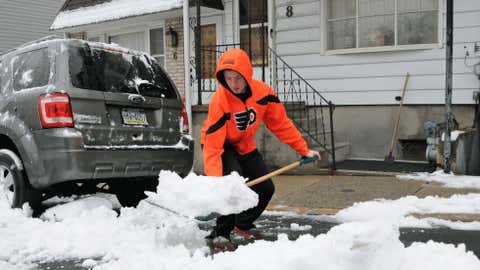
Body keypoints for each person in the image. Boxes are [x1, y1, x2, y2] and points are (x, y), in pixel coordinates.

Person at [201, 48, 321, 246]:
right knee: (233, 184)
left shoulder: (263, 93)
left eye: (237, 78)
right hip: (221, 146)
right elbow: (213, 147)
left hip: (244, 146)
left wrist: (303, 150)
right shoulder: (220, 100)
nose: (233, 84)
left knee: (265, 188)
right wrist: (217, 184)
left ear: (247, 74)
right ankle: (220, 233)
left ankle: (243, 223)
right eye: (228, 79)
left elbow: (281, 124)